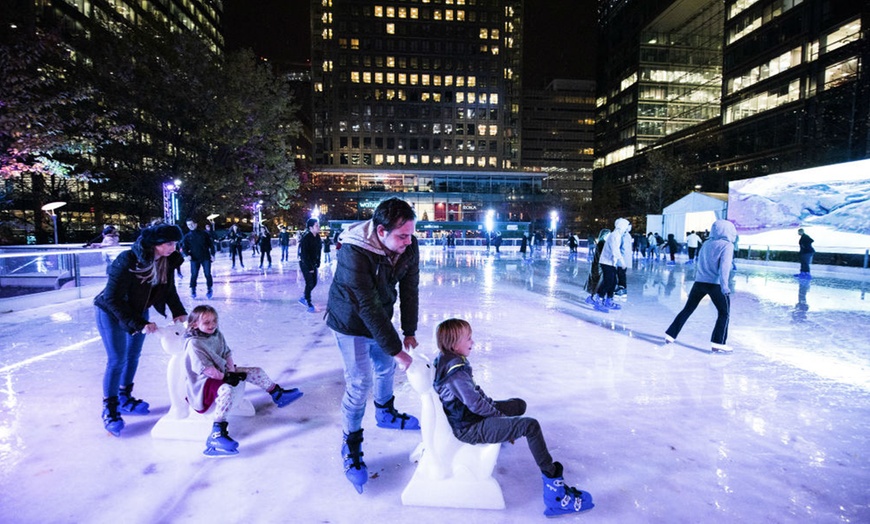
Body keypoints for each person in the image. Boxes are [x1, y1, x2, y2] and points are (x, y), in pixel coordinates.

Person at [433, 318, 594, 517]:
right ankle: (555, 493)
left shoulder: (451, 361)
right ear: (454, 343)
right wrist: (501, 419)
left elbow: (475, 394)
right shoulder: (455, 373)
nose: (472, 342)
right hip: (470, 427)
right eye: (468, 338)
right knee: (530, 426)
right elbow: (475, 403)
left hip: (471, 417)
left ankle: (502, 429)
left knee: (519, 405)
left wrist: (496, 409)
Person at [325, 197, 421, 493]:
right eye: (402, 235)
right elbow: (366, 306)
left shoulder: (408, 246)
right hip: (349, 322)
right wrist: (396, 348)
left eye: (411, 234)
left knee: (385, 367)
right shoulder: (354, 252)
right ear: (381, 232)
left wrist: (409, 330)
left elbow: (409, 288)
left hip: (380, 315)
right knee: (359, 382)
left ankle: (385, 412)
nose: (409, 241)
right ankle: (350, 445)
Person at [93, 223, 188, 436]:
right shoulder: (127, 259)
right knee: (117, 359)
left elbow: (168, 289)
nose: (173, 247)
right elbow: (111, 298)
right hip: (110, 312)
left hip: (139, 311)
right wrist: (138, 323)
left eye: (175, 243)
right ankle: (110, 407)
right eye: (169, 243)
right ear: (154, 243)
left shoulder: (166, 261)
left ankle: (125, 396)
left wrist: (178, 311)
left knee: (133, 356)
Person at [183, 305, 303, 456]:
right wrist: (226, 377)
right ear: (194, 324)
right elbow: (205, 369)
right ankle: (216, 433)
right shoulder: (194, 343)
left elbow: (226, 353)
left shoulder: (216, 334)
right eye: (207, 322)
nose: (212, 325)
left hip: (222, 372)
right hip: (204, 383)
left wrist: (232, 370)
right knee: (226, 390)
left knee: (255, 371)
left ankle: (277, 394)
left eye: (214, 321)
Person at [664, 219, 737, 353]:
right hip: (716, 284)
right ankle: (718, 343)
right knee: (724, 313)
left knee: (688, 309)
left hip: (699, 282)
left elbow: (701, 262)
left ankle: (670, 334)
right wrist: (725, 286)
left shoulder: (706, 243)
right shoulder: (727, 245)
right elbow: (724, 267)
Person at [591, 218, 630, 311]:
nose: (626, 228)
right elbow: (615, 250)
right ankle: (599, 300)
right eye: (625, 226)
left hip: (611, 262)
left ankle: (609, 300)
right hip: (606, 262)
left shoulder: (618, 235)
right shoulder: (615, 235)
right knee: (608, 282)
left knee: (613, 282)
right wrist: (622, 262)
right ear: (621, 226)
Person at [181, 218, 215, 299]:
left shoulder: (204, 234)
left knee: (207, 274)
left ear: (196, 224)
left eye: (192, 224)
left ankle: (209, 289)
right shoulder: (187, 236)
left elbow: (211, 245)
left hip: (205, 257)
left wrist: (213, 254)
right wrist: (187, 255)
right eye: (188, 225)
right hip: (194, 258)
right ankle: (193, 289)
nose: (190, 226)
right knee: (194, 274)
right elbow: (184, 247)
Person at [298, 218, 322, 312]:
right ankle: (308, 301)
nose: (318, 227)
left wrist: (318, 261)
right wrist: (309, 267)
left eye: (318, 225)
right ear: (311, 227)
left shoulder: (318, 237)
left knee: (314, 282)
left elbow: (319, 250)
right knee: (310, 282)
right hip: (305, 263)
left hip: (313, 263)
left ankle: (304, 296)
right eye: (316, 225)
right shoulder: (306, 239)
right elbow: (304, 255)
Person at [584, 228, 610, 305]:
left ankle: (593, 297)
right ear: (605, 235)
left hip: (598, 265)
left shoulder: (602, 242)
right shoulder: (602, 243)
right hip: (599, 266)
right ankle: (593, 297)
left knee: (598, 282)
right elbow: (604, 254)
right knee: (598, 282)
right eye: (608, 234)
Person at [615, 222, 633, 297]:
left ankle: (622, 288)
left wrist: (620, 259)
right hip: (624, 259)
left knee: (621, 274)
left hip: (622, 259)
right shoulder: (627, 235)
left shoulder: (624, 235)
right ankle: (621, 288)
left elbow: (624, 249)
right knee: (621, 274)